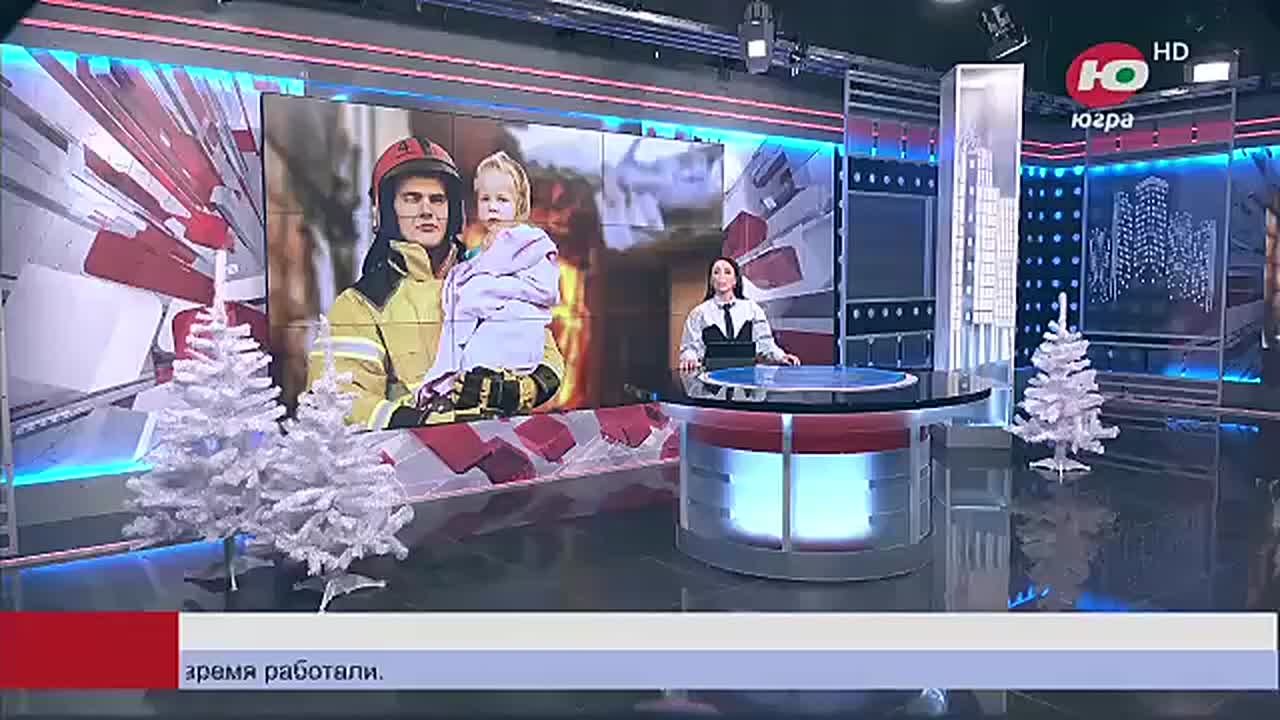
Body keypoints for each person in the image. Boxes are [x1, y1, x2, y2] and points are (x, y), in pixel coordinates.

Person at [308, 137, 564, 430]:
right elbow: (338, 399)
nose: (427, 210)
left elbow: (548, 354)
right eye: (411, 198)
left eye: (437, 200)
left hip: (503, 450)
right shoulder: (360, 304)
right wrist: (426, 424)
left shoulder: (485, 276)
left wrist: (523, 389)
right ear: (387, 210)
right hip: (406, 459)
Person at [417, 151, 561, 406]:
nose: (492, 206)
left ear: (519, 204)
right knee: (469, 365)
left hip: (515, 330)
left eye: (502, 199)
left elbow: (542, 289)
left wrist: (488, 291)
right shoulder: (477, 251)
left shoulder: (528, 242)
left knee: (479, 364)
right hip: (484, 332)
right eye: (485, 199)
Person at [677, 256, 800, 372]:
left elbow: (765, 343)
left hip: (747, 379)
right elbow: (690, 348)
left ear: (735, 280)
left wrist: (781, 357)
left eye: (727, 272)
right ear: (711, 281)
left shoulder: (752, 309)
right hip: (710, 380)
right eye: (716, 272)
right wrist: (689, 359)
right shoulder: (698, 313)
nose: (721, 276)